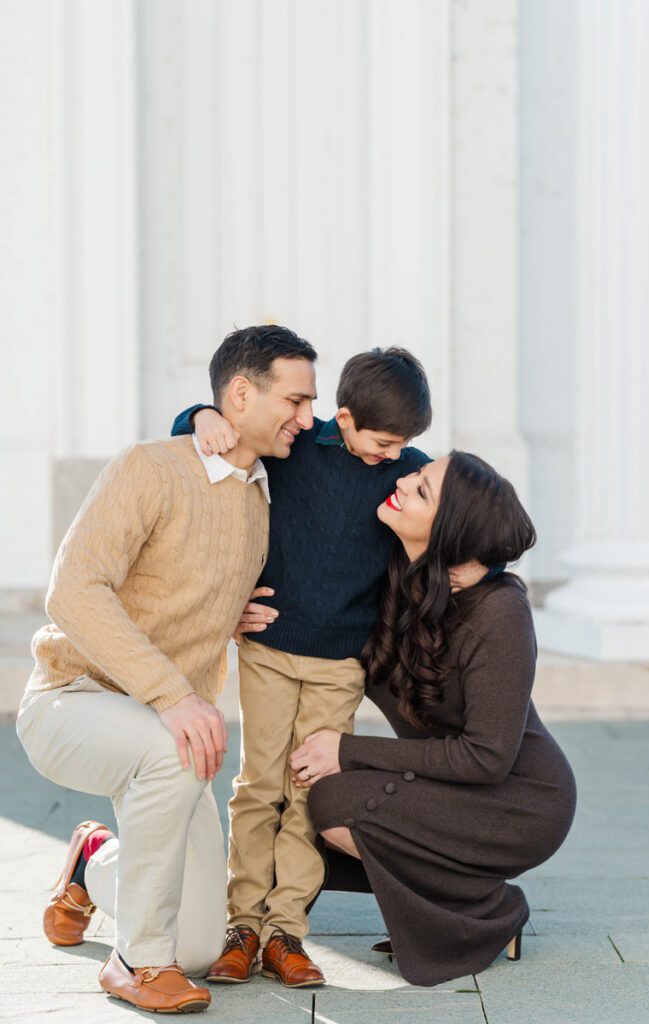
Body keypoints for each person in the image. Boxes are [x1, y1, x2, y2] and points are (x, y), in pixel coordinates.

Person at [16, 325, 317, 1014]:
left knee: (205, 945)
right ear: (239, 394)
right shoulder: (149, 466)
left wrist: (222, 617)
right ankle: (136, 961)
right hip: (73, 700)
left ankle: (94, 863)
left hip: (167, 724)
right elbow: (74, 590)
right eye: (295, 400)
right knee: (185, 747)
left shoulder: (266, 495)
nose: (306, 418)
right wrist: (174, 694)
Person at [171, 349, 483, 987]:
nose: (394, 456)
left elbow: (462, 513)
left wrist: (477, 571)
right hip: (268, 651)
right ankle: (243, 926)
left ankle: (286, 931)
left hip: (341, 664)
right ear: (342, 417)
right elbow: (203, 436)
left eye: (406, 445)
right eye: (383, 441)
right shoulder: (295, 449)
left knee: (307, 790)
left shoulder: (406, 470)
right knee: (260, 786)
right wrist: (199, 414)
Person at [290, 451, 577, 987]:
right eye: (417, 477)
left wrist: (346, 751)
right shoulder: (407, 577)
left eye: (422, 489)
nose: (403, 481)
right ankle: (464, 913)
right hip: (447, 785)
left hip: (521, 802)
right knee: (296, 822)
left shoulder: (500, 611)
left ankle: (487, 912)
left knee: (336, 802)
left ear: (451, 528)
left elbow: (486, 757)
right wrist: (248, 613)